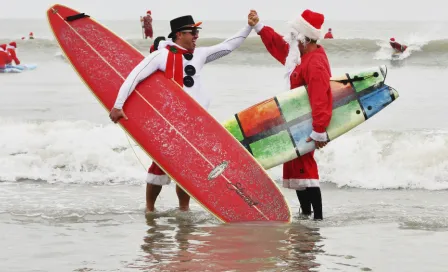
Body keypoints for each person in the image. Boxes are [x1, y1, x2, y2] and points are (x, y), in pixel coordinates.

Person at [109, 15, 254, 213]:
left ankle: (184, 210)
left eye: (196, 33)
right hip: (171, 123)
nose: (196, 36)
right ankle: (150, 210)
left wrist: (249, 27)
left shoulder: (200, 55)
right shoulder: (160, 56)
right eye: (192, 32)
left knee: (187, 168)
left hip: (195, 123)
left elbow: (228, 46)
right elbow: (133, 77)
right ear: (179, 34)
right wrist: (118, 106)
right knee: (159, 166)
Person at [248, 9, 332, 220]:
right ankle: (306, 215)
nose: (291, 39)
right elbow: (280, 46)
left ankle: (318, 220)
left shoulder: (314, 63)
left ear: (304, 37)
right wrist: (259, 27)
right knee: (296, 166)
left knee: (306, 167)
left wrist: (319, 130)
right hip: (296, 123)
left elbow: (321, 97)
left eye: (294, 35)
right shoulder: (300, 55)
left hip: (308, 124)